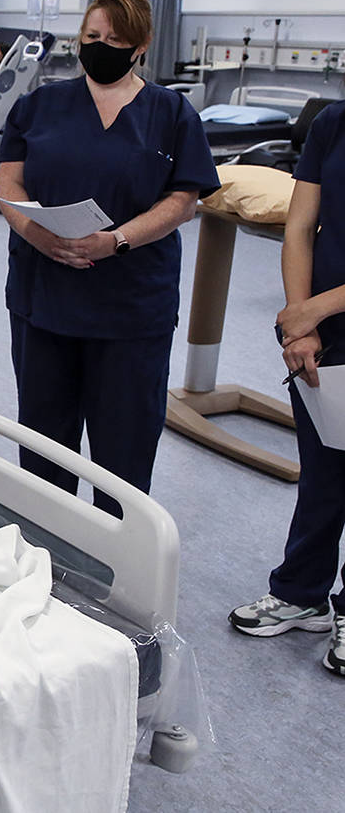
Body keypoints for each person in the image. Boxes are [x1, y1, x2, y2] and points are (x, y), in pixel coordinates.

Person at [0, 0, 219, 516]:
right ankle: (48, 558)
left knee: (124, 451)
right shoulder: (40, 105)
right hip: (44, 297)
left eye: (115, 39)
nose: (100, 46)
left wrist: (115, 240)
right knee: (45, 443)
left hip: (131, 308)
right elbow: (8, 183)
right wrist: (38, 234)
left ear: (141, 45)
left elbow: (183, 201)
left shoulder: (170, 113)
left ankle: (118, 574)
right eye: (92, 36)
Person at [228, 98, 345, 677]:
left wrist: (313, 310)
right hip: (321, 331)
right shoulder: (333, 122)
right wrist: (301, 321)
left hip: (325, 312)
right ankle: (301, 593)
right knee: (322, 469)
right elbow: (300, 227)